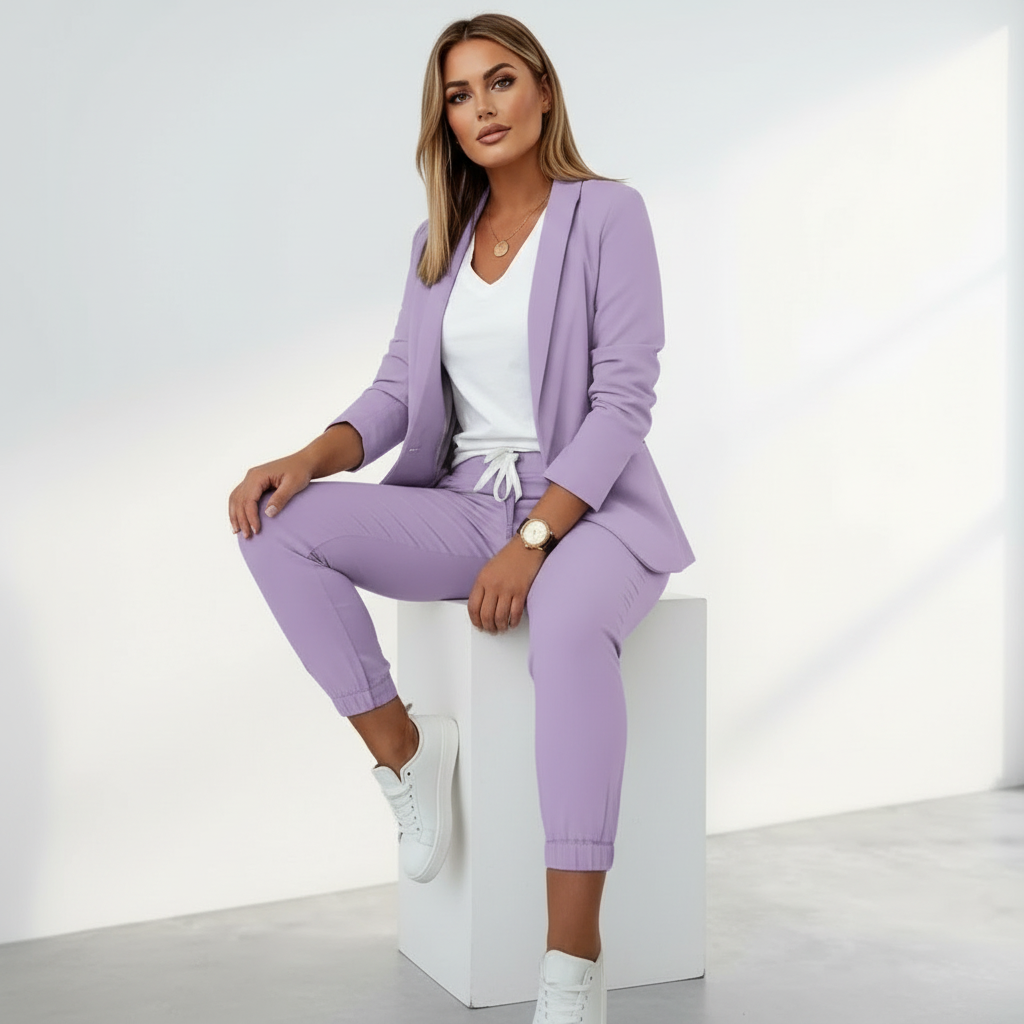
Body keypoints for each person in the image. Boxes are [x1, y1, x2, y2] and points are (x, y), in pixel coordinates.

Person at [228, 13, 694, 1023]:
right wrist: (306, 458)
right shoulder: (437, 242)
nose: (482, 107)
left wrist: (537, 537)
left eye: (500, 81)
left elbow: (623, 402)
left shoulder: (607, 214)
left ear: (543, 91)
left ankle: (571, 960)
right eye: (458, 94)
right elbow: (397, 392)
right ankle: (406, 754)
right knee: (278, 525)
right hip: (463, 502)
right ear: (442, 118)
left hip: (590, 506)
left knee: (564, 628)